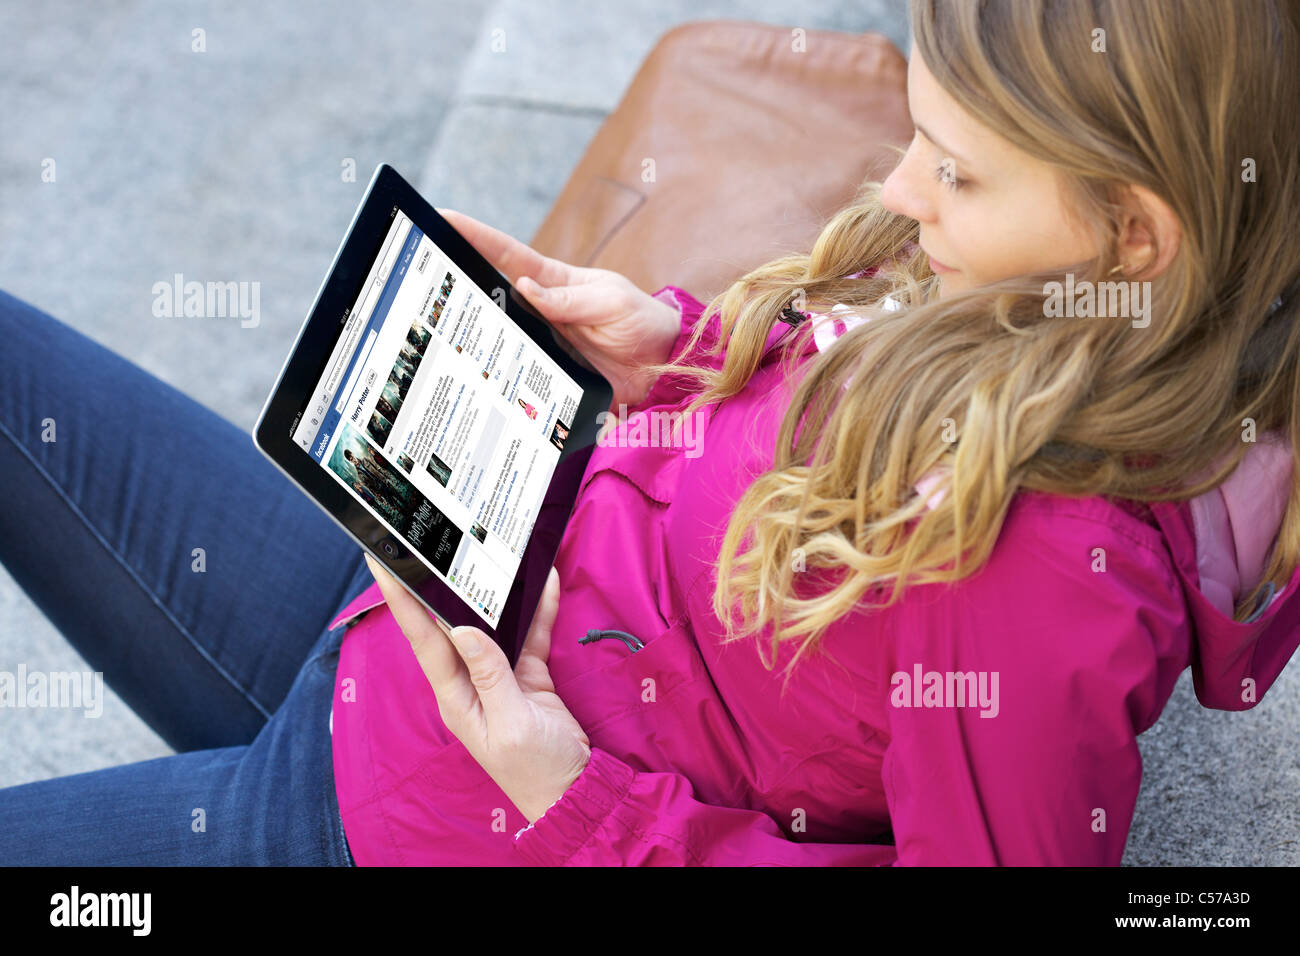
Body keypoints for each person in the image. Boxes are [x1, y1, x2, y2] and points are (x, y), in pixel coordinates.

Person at [1, 0, 1297, 865]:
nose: (899, 189)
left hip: (415, 813)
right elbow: (828, 437)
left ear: (1134, 234)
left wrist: (579, 810)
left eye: (955, 171)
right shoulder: (1056, 306)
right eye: (919, 133)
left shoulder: (1039, 588)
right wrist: (676, 349)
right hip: (427, 589)